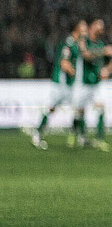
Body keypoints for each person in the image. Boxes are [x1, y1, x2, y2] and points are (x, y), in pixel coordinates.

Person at [32, 20, 87, 150]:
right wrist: (75, 73)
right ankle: (37, 134)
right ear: (77, 28)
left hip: (70, 84)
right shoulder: (69, 42)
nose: (86, 29)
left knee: (79, 107)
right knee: (52, 107)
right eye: (83, 27)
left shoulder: (78, 43)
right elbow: (64, 63)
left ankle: (80, 137)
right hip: (61, 83)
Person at [75, 19, 112, 151]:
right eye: (98, 27)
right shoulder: (84, 41)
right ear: (92, 27)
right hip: (83, 82)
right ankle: (80, 136)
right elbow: (86, 55)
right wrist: (103, 51)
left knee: (100, 108)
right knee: (80, 112)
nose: (100, 30)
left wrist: (107, 70)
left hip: (96, 83)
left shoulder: (101, 43)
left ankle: (99, 139)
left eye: (102, 28)